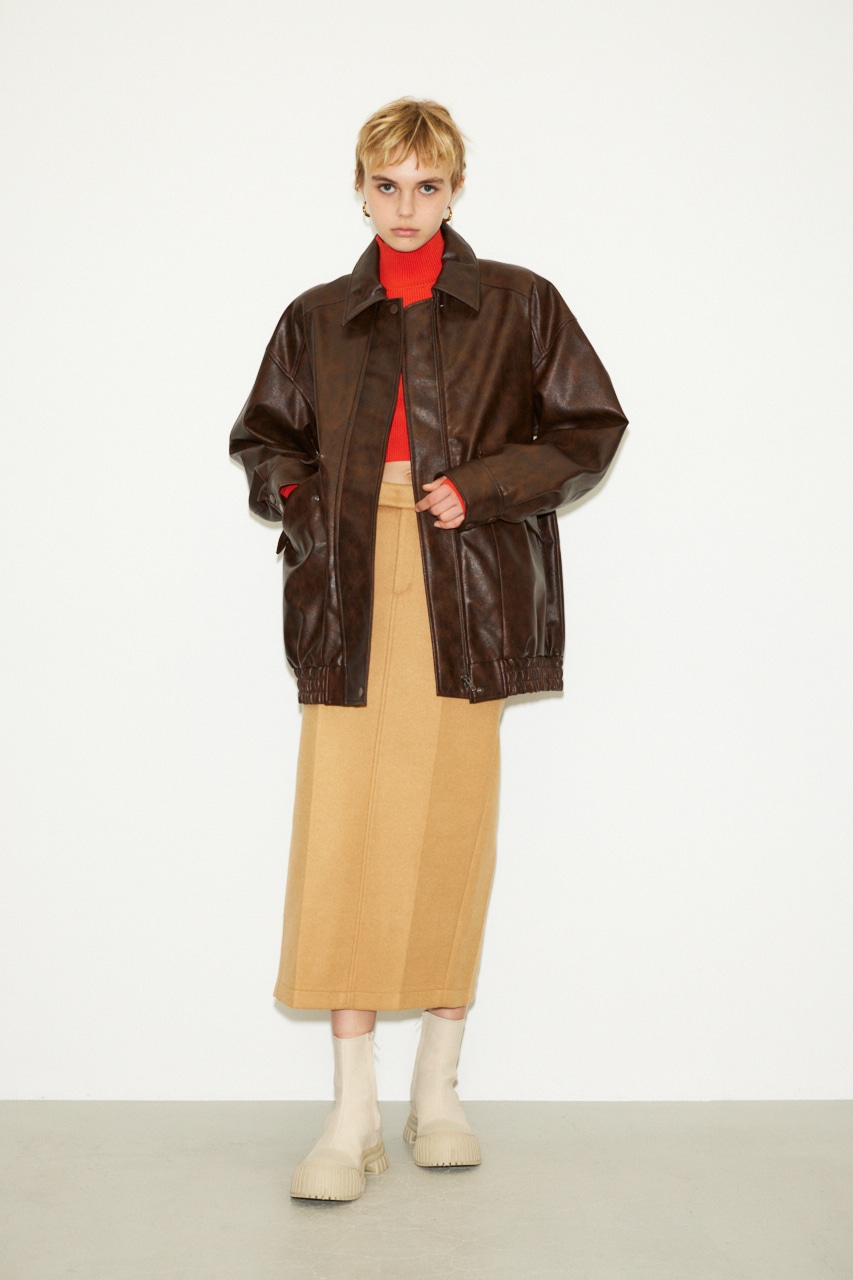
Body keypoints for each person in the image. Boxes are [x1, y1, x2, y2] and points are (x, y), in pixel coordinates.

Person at [229, 98, 627, 1202]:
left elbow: (588, 428)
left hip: (466, 585)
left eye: (428, 186)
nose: (406, 207)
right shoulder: (315, 316)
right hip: (350, 587)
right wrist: (309, 502)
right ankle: (352, 1110)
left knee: (451, 826)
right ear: (359, 190)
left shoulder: (519, 302)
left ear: (455, 191)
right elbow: (263, 439)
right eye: (387, 185)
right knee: (341, 834)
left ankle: (437, 1093)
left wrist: (483, 487)